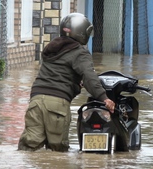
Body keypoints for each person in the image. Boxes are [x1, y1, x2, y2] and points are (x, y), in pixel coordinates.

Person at [18, 13, 115, 152]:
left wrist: (75, 84)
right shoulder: (79, 52)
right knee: (58, 152)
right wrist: (104, 98)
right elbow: (89, 77)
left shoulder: (52, 48)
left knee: (29, 148)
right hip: (57, 104)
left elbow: (58, 74)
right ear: (82, 32)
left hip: (36, 101)